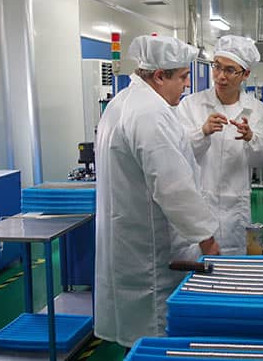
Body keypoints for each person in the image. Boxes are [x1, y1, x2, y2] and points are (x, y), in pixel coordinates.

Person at [94, 35, 221, 348]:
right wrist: (207, 240)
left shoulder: (123, 103)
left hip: (129, 240)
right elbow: (173, 188)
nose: (187, 85)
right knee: (156, 334)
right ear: (160, 75)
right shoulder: (150, 113)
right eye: (183, 77)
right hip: (151, 249)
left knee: (136, 335)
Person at [177, 35, 263, 256]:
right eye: (217, 67)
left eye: (230, 70)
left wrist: (251, 138)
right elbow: (177, 151)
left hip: (236, 205)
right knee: (197, 262)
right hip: (198, 204)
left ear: (245, 74)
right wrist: (202, 132)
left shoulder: (256, 110)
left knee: (234, 261)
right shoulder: (191, 105)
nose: (221, 76)